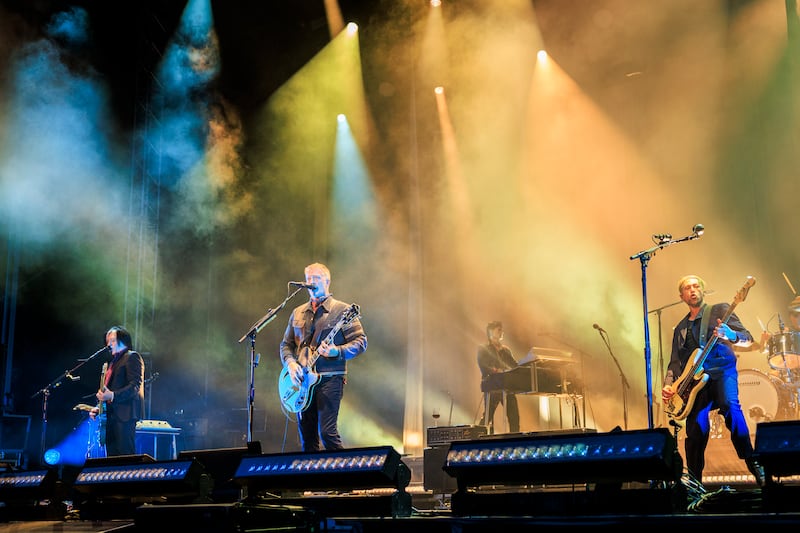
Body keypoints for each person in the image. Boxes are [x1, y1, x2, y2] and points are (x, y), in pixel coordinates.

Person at [661, 275, 763, 486]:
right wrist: (669, 385)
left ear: (703, 290)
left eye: (696, 286)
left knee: (730, 406)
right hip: (696, 384)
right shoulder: (680, 328)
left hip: (722, 372)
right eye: (688, 288)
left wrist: (730, 335)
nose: (693, 290)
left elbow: (748, 338)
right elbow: (675, 362)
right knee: (695, 429)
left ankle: (755, 464)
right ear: (682, 296)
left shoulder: (720, 310)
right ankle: (695, 484)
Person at [280, 262, 368, 451]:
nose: (311, 282)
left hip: (330, 379)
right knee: (307, 439)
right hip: (303, 381)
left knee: (327, 433)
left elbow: (361, 342)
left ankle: (344, 469)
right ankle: (313, 471)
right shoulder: (298, 312)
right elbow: (286, 345)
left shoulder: (342, 310)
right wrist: (291, 364)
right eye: (308, 278)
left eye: (316, 278)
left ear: (327, 281)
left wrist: (338, 351)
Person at [92, 325, 145, 456]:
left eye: (112, 340)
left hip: (125, 416)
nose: (108, 345)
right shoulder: (112, 363)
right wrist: (99, 407)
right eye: (107, 341)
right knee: (112, 458)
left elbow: (135, 386)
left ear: (123, 341)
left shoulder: (132, 357)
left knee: (125, 456)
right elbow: (108, 391)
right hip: (110, 417)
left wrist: (112, 395)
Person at [477, 321, 520, 434]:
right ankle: (479, 436)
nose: (501, 332)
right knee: (488, 417)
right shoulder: (483, 348)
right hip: (492, 385)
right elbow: (483, 366)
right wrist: (496, 371)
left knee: (514, 417)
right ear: (491, 332)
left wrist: (524, 366)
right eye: (499, 330)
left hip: (507, 385)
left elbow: (514, 365)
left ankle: (515, 439)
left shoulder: (506, 350)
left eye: (502, 330)